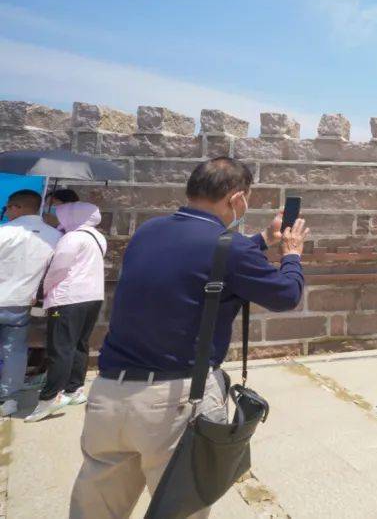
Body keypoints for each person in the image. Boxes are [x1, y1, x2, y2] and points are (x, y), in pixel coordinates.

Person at [69, 157, 309, 518]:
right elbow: (286, 295)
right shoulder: (231, 247)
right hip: (173, 402)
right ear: (237, 199)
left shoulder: (148, 232)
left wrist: (262, 240)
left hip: (109, 396)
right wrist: (291, 255)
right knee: (180, 509)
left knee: (96, 511)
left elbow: (202, 260)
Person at [25, 201, 106, 422]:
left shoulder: (72, 238)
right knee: (79, 343)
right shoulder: (97, 237)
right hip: (92, 297)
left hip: (68, 299)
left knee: (60, 347)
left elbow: (58, 268)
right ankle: (74, 389)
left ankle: (50, 397)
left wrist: (43, 290)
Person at [0, 190, 61, 417]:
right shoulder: (54, 236)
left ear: (17, 207)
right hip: (23, 301)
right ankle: (9, 400)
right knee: (15, 351)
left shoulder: (4, 231)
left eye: (7, 207)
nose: (6, 212)